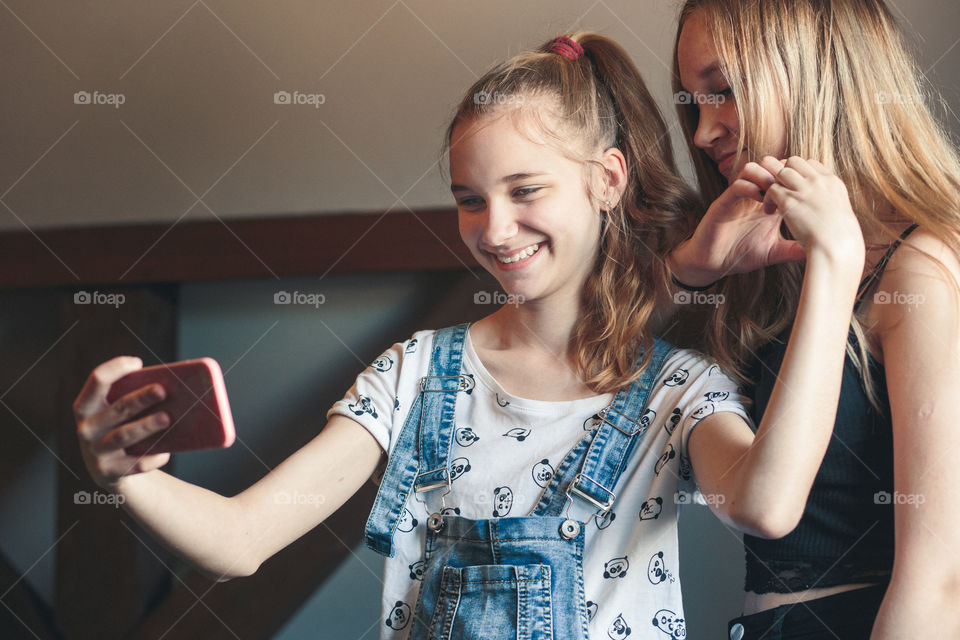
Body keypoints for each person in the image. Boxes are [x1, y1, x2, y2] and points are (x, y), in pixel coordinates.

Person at [74, 32, 861, 640]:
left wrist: (836, 263)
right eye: (470, 200)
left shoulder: (675, 390)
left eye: (525, 190)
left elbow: (766, 505)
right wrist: (123, 474)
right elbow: (240, 538)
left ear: (607, 180)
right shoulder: (414, 375)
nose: (496, 229)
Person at [669, 1, 960, 638]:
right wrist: (690, 270)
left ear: (818, 69)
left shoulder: (922, 269)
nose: (703, 132)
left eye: (725, 90)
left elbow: (941, 584)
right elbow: (600, 364)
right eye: (694, 103)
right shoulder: (781, 264)